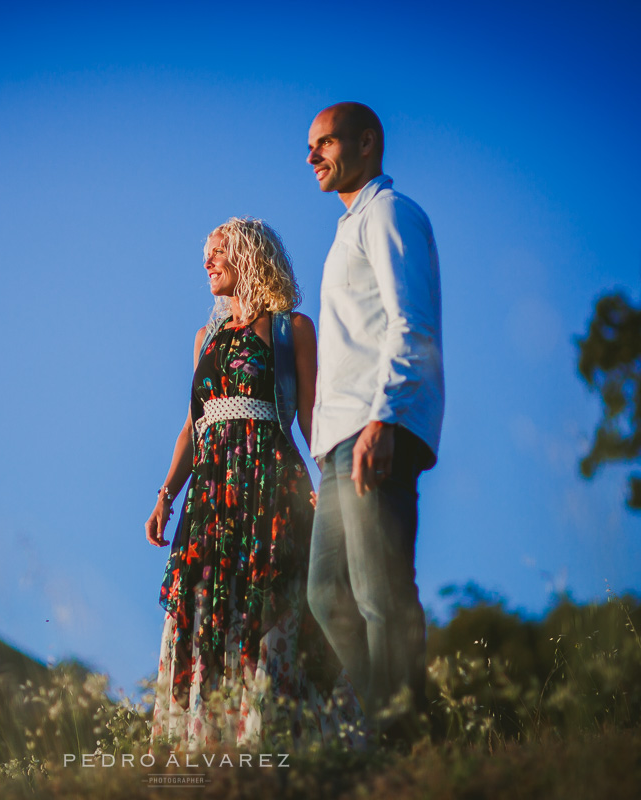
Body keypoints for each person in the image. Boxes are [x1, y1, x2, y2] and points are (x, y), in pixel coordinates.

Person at [145, 217, 363, 750]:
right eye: (206, 254)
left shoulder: (293, 330)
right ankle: (210, 747)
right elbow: (193, 427)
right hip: (210, 499)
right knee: (207, 615)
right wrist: (165, 495)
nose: (207, 262)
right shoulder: (205, 338)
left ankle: (277, 746)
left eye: (218, 251)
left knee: (273, 613)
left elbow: (310, 416)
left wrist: (326, 477)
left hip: (272, 488)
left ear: (248, 256)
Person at [303, 102, 444, 734]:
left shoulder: (389, 213)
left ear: (367, 144)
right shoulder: (346, 229)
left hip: (374, 425)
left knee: (380, 595)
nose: (313, 157)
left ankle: (405, 740)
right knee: (326, 594)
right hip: (336, 441)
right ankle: (393, 723)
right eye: (310, 148)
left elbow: (411, 323)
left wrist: (383, 421)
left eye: (325, 143)